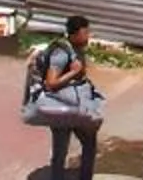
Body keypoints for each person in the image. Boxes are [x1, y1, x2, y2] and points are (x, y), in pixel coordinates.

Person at [28, 14, 100, 180]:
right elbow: (51, 83)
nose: (88, 36)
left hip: (74, 107)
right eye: (84, 33)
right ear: (74, 35)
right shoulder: (61, 53)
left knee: (88, 142)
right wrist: (74, 72)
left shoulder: (76, 49)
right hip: (60, 108)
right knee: (61, 151)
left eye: (88, 32)